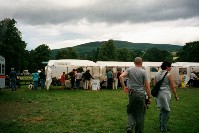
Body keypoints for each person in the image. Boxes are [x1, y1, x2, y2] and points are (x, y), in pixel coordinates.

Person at [119, 57, 151, 133]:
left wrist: (124, 87)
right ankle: (138, 131)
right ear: (141, 63)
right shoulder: (143, 72)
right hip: (140, 94)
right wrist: (149, 97)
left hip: (131, 94)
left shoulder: (129, 69)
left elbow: (121, 76)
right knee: (140, 114)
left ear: (134, 62)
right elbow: (147, 86)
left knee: (131, 111)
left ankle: (129, 127)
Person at [154, 61, 179, 132]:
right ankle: (163, 128)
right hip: (165, 94)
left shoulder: (157, 74)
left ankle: (161, 125)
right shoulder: (169, 75)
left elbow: (155, 85)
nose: (171, 67)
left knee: (162, 110)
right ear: (167, 67)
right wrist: (176, 96)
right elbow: (172, 87)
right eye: (170, 66)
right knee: (167, 111)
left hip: (158, 94)